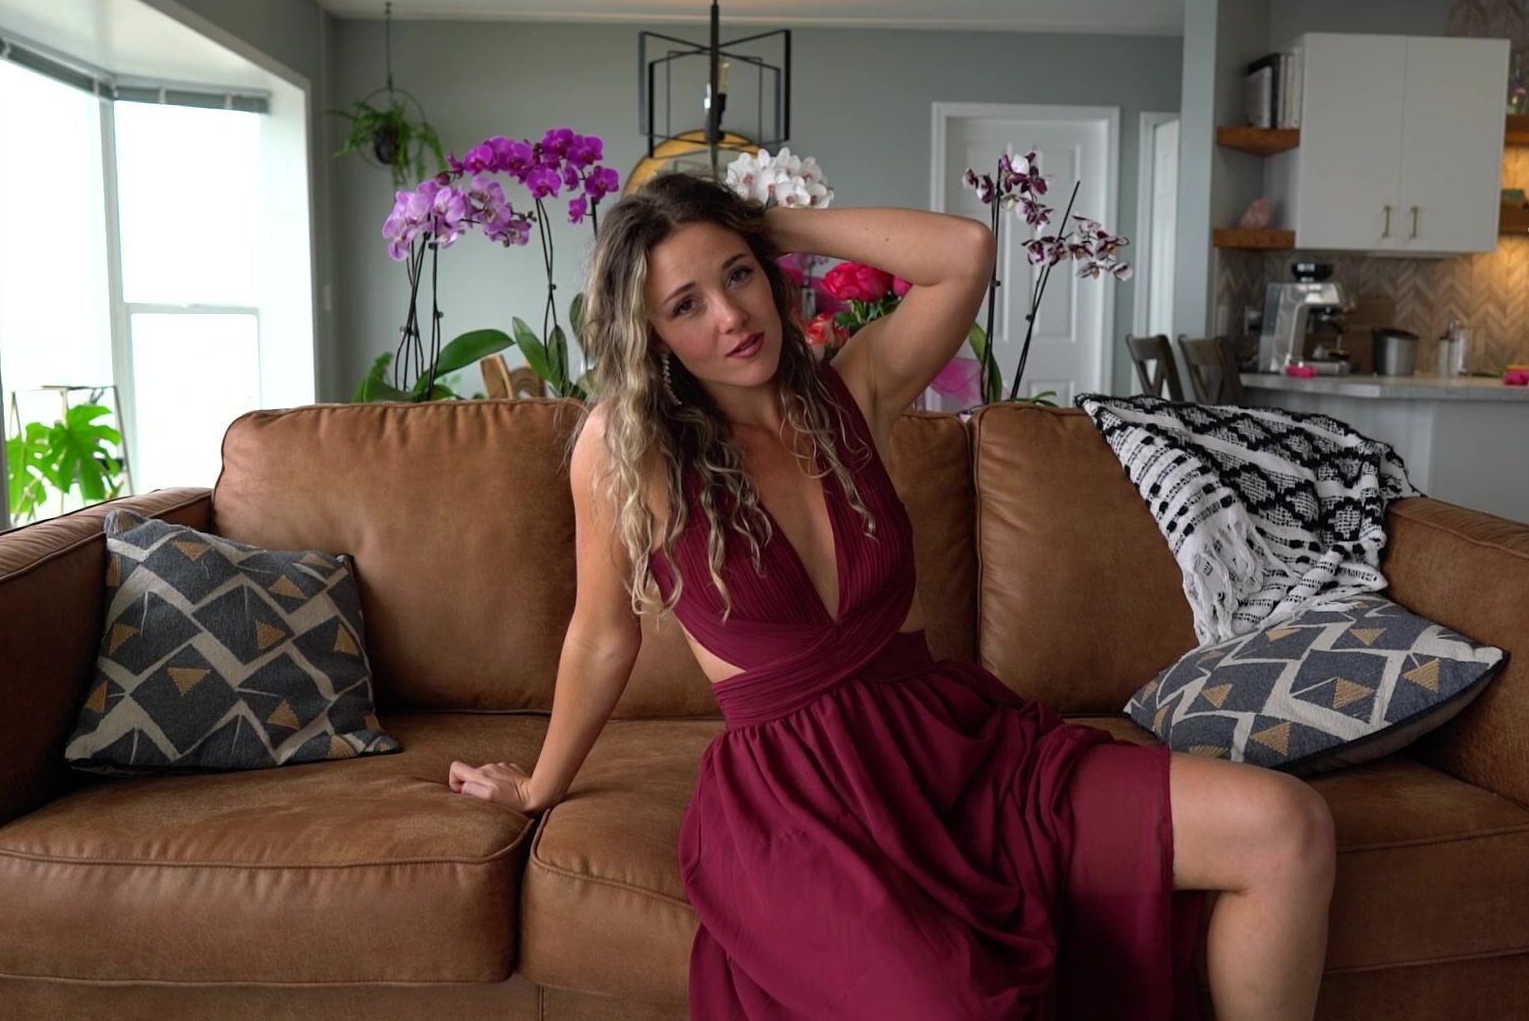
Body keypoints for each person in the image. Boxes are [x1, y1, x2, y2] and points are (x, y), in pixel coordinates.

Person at [449, 171, 1335, 1019]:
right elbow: (602, 637)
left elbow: (966, 251)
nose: (731, 316)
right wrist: (537, 786)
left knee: (1283, 827)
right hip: (802, 802)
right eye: (687, 305)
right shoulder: (627, 448)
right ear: (651, 338)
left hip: (961, 756)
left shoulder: (854, 391)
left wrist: (761, 221)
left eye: (739, 275)